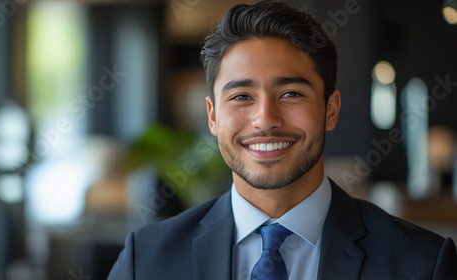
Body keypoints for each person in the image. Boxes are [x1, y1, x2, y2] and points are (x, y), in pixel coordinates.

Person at [107, 1, 457, 279]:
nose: (265, 120)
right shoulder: (146, 260)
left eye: (291, 93)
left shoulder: (422, 263)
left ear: (330, 110)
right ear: (212, 117)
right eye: (242, 96)